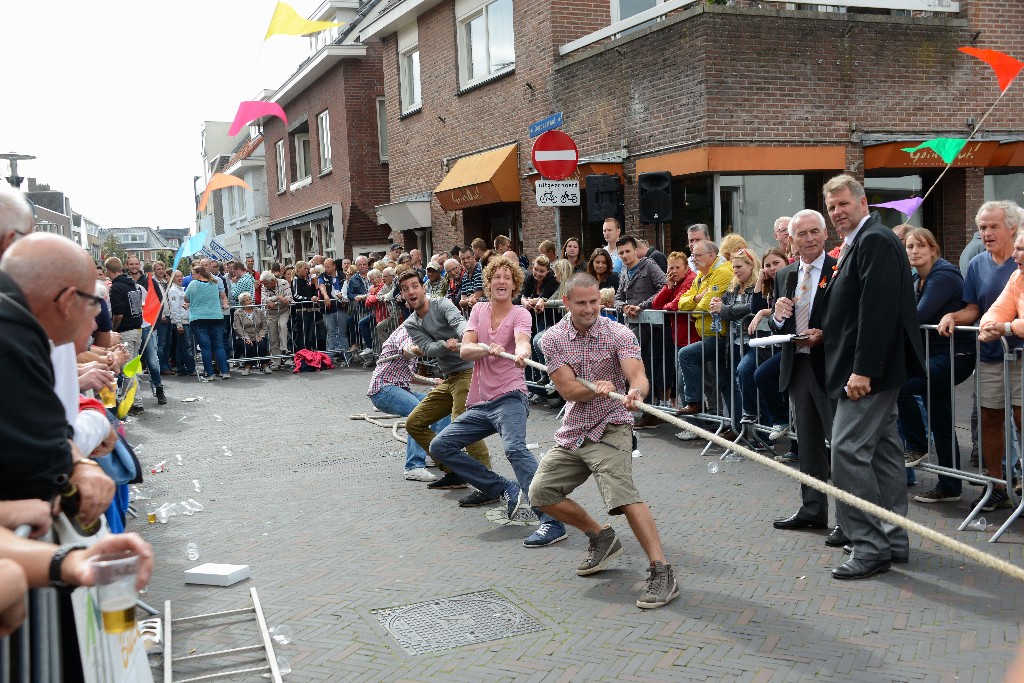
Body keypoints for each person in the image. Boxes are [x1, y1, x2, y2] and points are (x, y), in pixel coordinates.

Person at [530, 273, 678, 609]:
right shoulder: (552, 339)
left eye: (594, 302)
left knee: (623, 495)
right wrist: (595, 387)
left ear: (602, 300)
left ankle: (662, 570)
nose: (589, 309)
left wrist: (636, 390)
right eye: (581, 303)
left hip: (612, 425)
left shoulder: (618, 332)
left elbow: (636, 373)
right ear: (566, 302)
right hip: (575, 428)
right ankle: (601, 536)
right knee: (540, 493)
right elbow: (568, 389)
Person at [819, 175, 925, 580]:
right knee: (882, 453)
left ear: (863, 202)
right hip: (865, 368)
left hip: (868, 373)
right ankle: (893, 539)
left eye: (843, 204)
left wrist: (863, 370)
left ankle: (868, 545)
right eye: (832, 207)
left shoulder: (875, 241)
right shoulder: (859, 243)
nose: (838, 212)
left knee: (846, 451)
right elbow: (848, 307)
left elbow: (877, 311)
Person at [429, 256, 569, 547]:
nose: (502, 281)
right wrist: (485, 349)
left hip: (510, 396)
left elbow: (522, 341)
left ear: (515, 284)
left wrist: (520, 350)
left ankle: (552, 521)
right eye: (497, 277)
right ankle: (503, 488)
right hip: (481, 401)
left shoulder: (521, 314)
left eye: (508, 277)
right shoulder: (478, 309)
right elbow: (466, 350)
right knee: (441, 445)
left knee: (515, 448)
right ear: (489, 283)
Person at [0, 233, 115, 521]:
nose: (95, 320)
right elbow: (39, 456)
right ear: (66, 301)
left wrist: (77, 462)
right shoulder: (15, 345)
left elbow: (46, 426)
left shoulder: (22, 333)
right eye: (93, 304)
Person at [939, 201, 1024, 511]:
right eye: (982, 228)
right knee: (989, 417)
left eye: (993, 227)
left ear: (1012, 228)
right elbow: (976, 308)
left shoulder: (1020, 262)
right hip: (989, 353)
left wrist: (1005, 326)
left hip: (1020, 354)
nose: (986, 233)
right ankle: (996, 484)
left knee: (1020, 417)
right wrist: (953, 316)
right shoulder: (977, 264)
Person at [766, 210, 839, 540]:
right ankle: (812, 510)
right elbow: (778, 323)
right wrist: (778, 318)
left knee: (842, 446)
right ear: (790, 241)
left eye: (815, 232)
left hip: (831, 366)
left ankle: (850, 521)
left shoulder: (838, 270)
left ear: (826, 235)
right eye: (802, 234)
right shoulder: (787, 274)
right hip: (798, 366)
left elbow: (849, 319)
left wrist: (825, 333)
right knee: (808, 444)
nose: (809, 239)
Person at [400, 270, 492, 499]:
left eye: (414, 286)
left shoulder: (442, 304)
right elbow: (427, 349)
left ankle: (488, 481)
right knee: (414, 423)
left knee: (463, 422)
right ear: (402, 295)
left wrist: (466, 339)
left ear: (423, 288)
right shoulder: (411, 323)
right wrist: (444, 345)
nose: (411, 292)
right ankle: (455, 470)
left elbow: (460, 323)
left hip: (467, 372)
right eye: (406, 289)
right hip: (448, 378)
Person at [900, 227, 976, 504]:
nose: (914, 251)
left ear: (934, 249)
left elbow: (918, 314)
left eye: (920, 246)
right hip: (930, 356)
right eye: (909, 247)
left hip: (955, 356)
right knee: (941, 421)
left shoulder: (943, 275)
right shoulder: (913, 278)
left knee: (902, 387)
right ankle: (950, 484)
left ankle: (917, 446)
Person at [368, 326, 449, 481]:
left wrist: (433, 381)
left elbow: (408, 375)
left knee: (442, 407)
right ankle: (414, 466)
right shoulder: (408, 331)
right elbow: (407, 350)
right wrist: (435, 348)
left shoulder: (420, 333)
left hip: (400, 388)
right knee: (420, 413)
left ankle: (435, 452)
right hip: (382, 390)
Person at [676, 240, 734, 415]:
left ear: (711, 255)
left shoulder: (722, 272)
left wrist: (697, 303)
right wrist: (695, 299)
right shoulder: (701, 276)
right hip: (708, 334)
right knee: (723, 382)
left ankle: (695, 402)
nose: (693, 259)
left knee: (686, 355)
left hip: (721, 335)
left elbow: (705, 306)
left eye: (698, 255)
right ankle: (730, 424)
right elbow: (681, 302)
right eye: (692, 255)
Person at [615, 236, 668, 427]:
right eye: (621, 253)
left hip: (652, 327)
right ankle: (639, 405)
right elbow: (618, 296)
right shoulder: (624, 271)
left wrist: (642, 306)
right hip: (632, 326)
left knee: (649, 367)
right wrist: (624, 307)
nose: (625, 256)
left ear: (636, 250)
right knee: (636, 365)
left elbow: (664, 288)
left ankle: (652, 410)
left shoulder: (650, 266)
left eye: (628, 251)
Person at [709, 247, 759, 433]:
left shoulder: (756, 287)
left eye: (739, 266)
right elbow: (721, 305)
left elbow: (750, 307)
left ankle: (759, 430)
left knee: (748, 378)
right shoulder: (733, 287)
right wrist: (717, 304)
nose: (735, 271)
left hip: (752, 342)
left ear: (751, 265)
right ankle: (739, 427)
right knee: (735, 383)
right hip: (734, 343)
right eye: (733, 267)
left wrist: (724, 310)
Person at [185, 264, 232, 380]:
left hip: (199, 318)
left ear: (199, 274)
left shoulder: (193, 284)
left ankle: (210, 374)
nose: (192, 276)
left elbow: (186, 299)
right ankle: (224, 371)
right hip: (215, 317)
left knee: (205, 347)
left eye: (193, 274)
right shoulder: (214, 283)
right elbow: (222, 296)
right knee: (219, 346)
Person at [232, 292, 271, 375]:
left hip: (257, 335)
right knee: (248, 346)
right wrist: (246, 337)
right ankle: (247, 367)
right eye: (246, 300)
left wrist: (260, 335)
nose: (249, 301)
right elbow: (237, 327)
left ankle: (264, 365)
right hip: (244, 336)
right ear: (242, 303)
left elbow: (264, 325)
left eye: (250, 299)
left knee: (261, 344)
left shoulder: (258, 310)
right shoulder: (237, 312)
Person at [260, 270, 293, 368]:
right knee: (273, 338)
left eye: (266, 283)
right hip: (271, 314)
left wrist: (276, 301)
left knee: (282, 325)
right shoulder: (264, 287)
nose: (264, 286)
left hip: (283, 311)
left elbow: (289, 298)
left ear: (272, 281)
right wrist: (278, 297)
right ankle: (276, 362)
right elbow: (264, 300)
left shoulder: (284, 283)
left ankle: (284, 348)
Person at [167, 270, 196, 376]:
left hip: (185, 321)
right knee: (187, 346)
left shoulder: (181, 289)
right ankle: (191, 368)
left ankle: (181, 368)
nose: (180, 278)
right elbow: (174, 308)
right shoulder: (173, 290)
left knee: (180, 347)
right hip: (181, 322)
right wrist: (179, 324)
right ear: (173, 278)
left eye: (181, 276)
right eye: (177, 276)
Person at [318, 258, 347, 355]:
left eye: (328, 267)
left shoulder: (342, 275)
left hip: (341, 307)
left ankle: (346, 355)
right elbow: (322, 287)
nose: (326, 269)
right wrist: (326, 296)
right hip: (328, 309)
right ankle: (329, 356)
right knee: (331, 333)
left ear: (334, 266)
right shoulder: (322, 276)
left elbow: (346, 287)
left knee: (342, 333)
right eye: (325, 267)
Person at [290, 261, 319, 351]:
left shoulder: (306, 280)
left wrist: (314, 285)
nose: (307, 271)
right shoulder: (296, 280)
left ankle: (308, 353)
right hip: (301, 311)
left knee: (309, 334)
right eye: (304, 268)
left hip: (310, 309)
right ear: (298, 269)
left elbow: (312, 293)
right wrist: (309, 299)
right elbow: (296, 296)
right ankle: (302, 354)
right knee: (302, 334)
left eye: (307, 269)